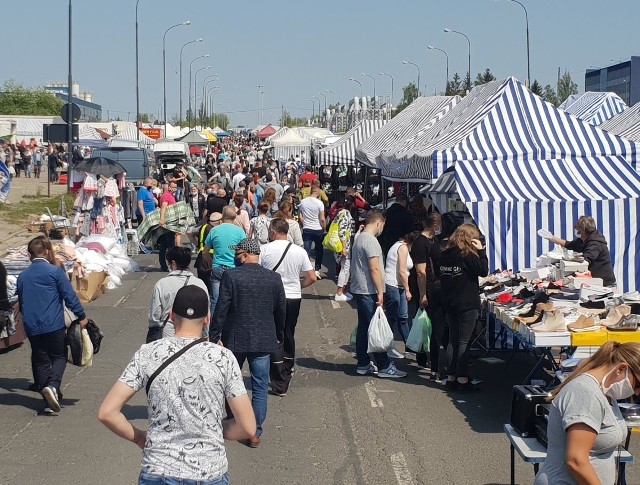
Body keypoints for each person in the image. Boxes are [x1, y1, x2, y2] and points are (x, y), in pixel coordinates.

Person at [98, 286, 256, 484]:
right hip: (209, 472)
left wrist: (139, 437)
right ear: (207, 318)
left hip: (158, 469)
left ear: (171, 315)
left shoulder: (147, 354)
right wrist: (211, 428)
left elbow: (107, 412)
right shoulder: (223, 358)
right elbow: (248, 427)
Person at [210, 238, 286, 447]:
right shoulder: (273, 278)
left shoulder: (231, 276)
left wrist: (214, 335)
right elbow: (281, 310)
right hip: (263, 338)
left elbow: (221, 308)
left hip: (234, 338)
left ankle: (235, 423)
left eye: (238, 254)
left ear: (244, 255)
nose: (236, 257)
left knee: (230, 384)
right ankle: (254, 432)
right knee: (260, 386)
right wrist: (279, 333)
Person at [533, 341, 640, 485]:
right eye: (638, 384)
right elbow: (576, 460)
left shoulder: (605, 392)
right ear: (621, 369)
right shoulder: (586, 393)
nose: (637, 392)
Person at [17, 237, 88, 415]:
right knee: (59, 356)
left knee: (40, 359)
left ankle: (48, 398)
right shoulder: (54, 272)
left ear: (29, 254)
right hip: (53, 323)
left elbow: (21, 301)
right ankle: (53, 386)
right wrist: (81, 315)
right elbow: (69, 296)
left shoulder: (23, 276)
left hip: (32, 326)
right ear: (47, 252)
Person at [260, 219, 317, 396]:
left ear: (273, 232)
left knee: (274, 334)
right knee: (288, 332)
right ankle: (288, 366)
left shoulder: (264, 250)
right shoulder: (299, 251)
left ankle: (278, 377)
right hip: (293, 296)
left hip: (272, 296)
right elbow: (312, 277)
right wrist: (298, 286)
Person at [350, 210, 407, 379]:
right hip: (369, 290)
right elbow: (374, 268)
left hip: (360, 289)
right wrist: (381, 291)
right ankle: (383, 365)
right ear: (379, 223)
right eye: (383, 225)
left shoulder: (359, 237)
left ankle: (363, 363)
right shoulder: (370, 240)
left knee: (364, 328)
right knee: (376, 329)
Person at [439, 223, 488, 392]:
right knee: (463, 342)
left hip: (450, 301)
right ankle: (462, 379)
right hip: (466, 302)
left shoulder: (445, 253)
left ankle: (451, 377)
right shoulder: (467, 255)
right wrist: (481, 251)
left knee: (453, 339)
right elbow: (483, 271)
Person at [147, 247, 209, 341]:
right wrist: (205, 335)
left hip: (168, 332)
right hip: (195, 333)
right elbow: (206, 311)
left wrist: (153, 330)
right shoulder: (199, 283)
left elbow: (155, 314)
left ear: (173, 263)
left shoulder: (162, 284)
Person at [542, 215, 616, 287]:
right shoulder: (583, 240)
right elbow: (568, 244)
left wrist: (571, 270)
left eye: (577, 227)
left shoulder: (595, 243)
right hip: (594, 282)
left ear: (583, 229)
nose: (576, 229)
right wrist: (551, 238)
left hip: (605, 284)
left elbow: (585, 262)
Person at [407, 213, 440, 369]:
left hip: (432, 286)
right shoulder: (421, 243)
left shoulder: (432, 240)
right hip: (424, 287)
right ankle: (421, 354)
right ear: (435, 226)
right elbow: (420, 271)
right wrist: (423, 294)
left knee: (428, 322)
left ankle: (425, 354)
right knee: (423, 321)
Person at [203, 206, 247, 315]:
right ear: (235, 216)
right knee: (234, 300)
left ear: (223, 216)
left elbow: (205, 252)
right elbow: (245, 250)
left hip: (218, 266)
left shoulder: (214, 230)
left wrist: (211, 260)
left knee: (216, 300)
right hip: (234, 268)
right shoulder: (239, 231)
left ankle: (214, 328)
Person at [384, 232, 419, 360]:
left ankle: (409, 346)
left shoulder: (399, 245)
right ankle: (388, 346)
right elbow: (402, 271)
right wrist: (408, 290)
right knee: (393, 317)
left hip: (396, 285)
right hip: (394, 285)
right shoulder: (403, 248)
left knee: (402, 317)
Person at [299, 186, 326, 279]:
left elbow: (300, 216)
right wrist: (324, 228)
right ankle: (317, 270)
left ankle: (307, 270)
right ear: (317, 192)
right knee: (319, 250)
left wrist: (304, 223)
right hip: (318, 229)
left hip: (307, 228)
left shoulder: (303, 202)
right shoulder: (320, 203)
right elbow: (322, 218)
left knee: (307, 250)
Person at [187, 212, 222, 284]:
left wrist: (197, 245)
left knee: (202, 284)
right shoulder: (217, 230)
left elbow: (189, 232)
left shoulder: (203, 227)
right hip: (212, 260)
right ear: (220, 221)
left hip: (201, 259)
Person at [333, 197, 356, 302]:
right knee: (345, 268)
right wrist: (344, 248)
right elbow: (342, 231)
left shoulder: (339, 213)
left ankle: (344, 291)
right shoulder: (345, 214)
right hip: (344, 245)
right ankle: (339, 292)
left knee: (346, 268)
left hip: (343, 244)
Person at [158, 181, 178, 272]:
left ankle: (164, 266)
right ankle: (171, 266)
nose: (174, 189)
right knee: (170, 247)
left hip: (168, 223)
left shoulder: (170, 195)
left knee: (164, 246)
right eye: (173, 187)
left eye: (176, 187)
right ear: (168, 187)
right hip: (167, 224)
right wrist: (162, 219)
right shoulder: (166, 196)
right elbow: (163, 207)